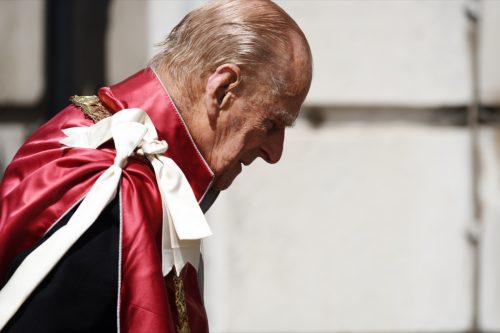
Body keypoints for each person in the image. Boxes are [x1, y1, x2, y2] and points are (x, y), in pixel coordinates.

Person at [0, 0, 312, 332]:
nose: (274, 152)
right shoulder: (113, 191)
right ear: (222, 90)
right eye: (271, 124)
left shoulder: (109, 150)